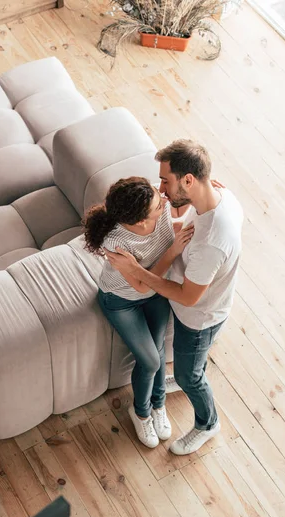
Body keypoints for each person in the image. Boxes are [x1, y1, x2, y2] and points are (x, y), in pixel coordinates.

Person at [105, 141, 244, 456]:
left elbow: (188, 297)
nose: (162, 190)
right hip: (210, 304)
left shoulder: (212, 243)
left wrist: (137, 270)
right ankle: (186, 377)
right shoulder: (220, 198)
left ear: (189, 180)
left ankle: (207, 423)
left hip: (199, 317)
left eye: (166, 181)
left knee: (187, 372)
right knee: (190, 365)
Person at [83, 176, 194, 449]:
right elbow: (141, 286)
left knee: (156, 351)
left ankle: (158, 404)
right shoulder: (117, 243)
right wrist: (172, 251)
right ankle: (141, 412)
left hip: (156, 293)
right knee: (151, 362)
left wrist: (206, 188)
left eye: (158, 193)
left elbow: (174, 223)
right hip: (121, 300)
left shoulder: (162, 207)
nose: (164, 199)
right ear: (141, 221)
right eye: (158, 203)